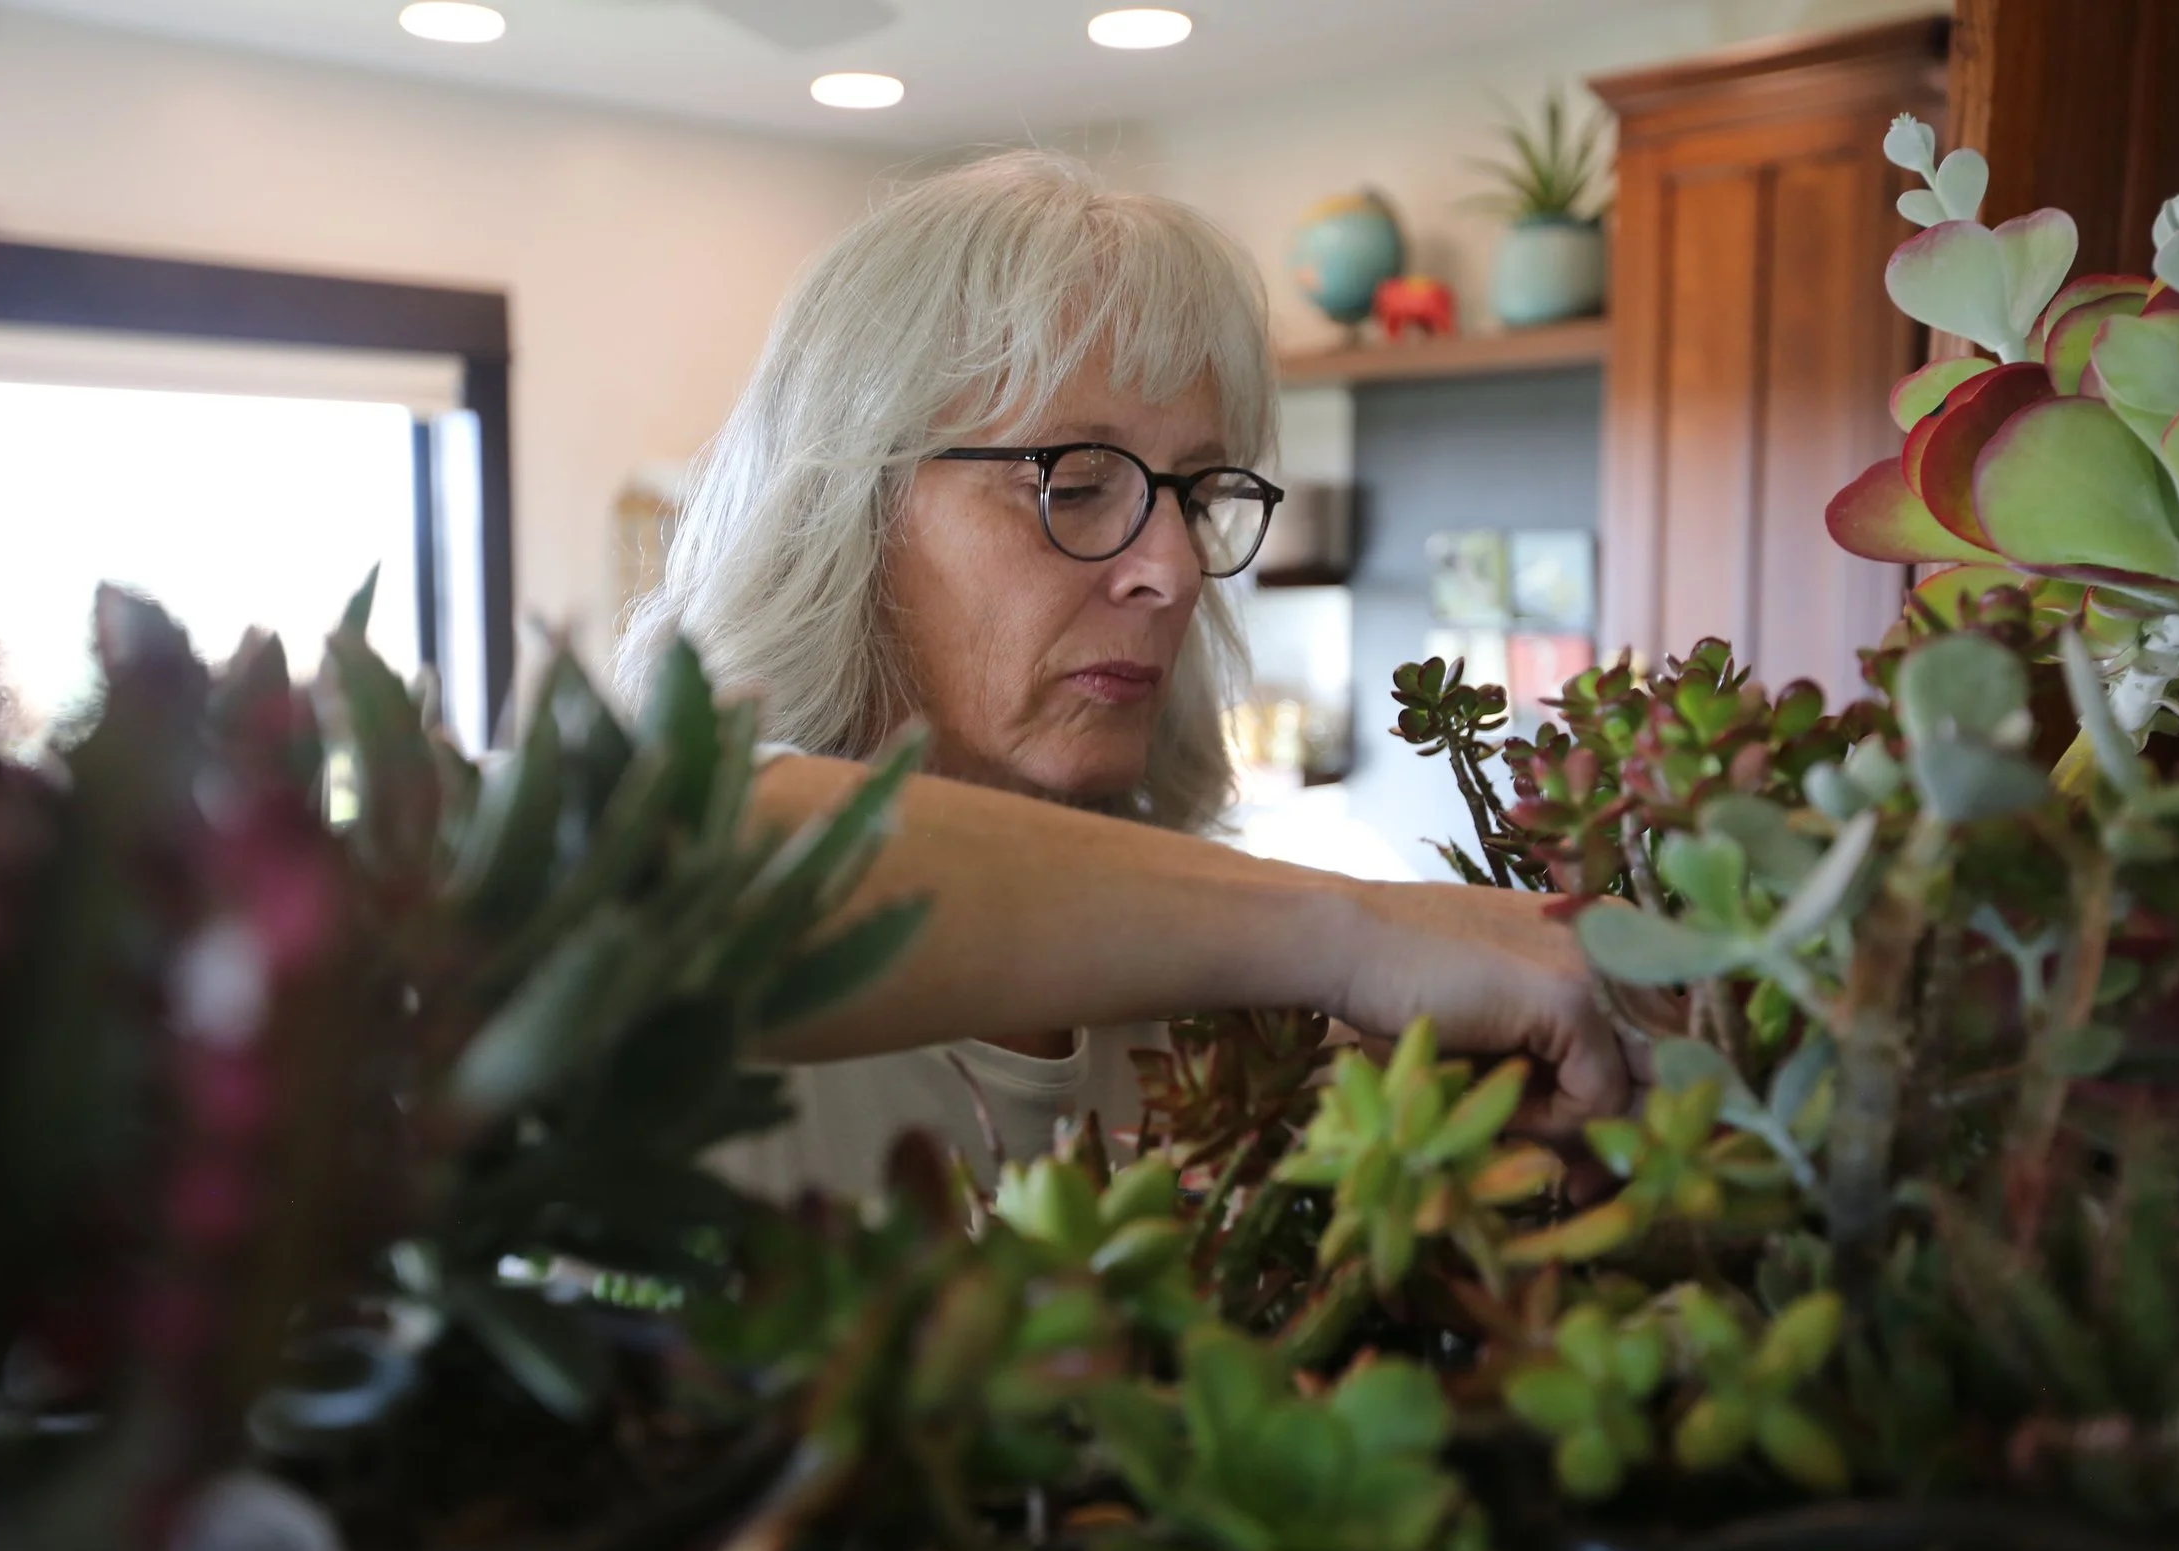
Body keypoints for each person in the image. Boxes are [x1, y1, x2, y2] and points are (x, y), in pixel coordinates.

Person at [614, 151, 1632, 1196]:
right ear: (849, 513)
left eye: (1196, 494)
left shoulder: (1224, 1025)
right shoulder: (680, 973)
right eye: (1076, 483)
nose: (1176, 570)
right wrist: (1357, 928)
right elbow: (714, 837)